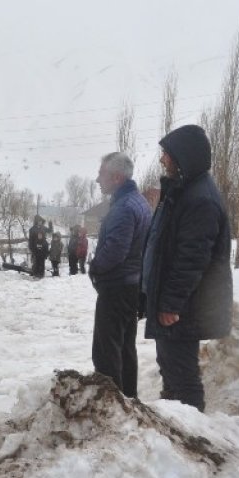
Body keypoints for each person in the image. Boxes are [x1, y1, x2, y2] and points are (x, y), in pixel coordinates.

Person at [141, 125, 232, 412]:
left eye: (166, 154)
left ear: (184, 156)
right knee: (172, 369)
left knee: (182, 376)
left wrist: (170, 303)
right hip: (179, 303)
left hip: (186, 306)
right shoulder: (183, 191)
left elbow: (191, 259)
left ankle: (190, 432)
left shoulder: (200, 199)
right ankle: (176, 422)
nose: (162, 160)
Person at [87, 152, 151, 398]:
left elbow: (115, 251)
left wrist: (94, 267)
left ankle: (112, 404)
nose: (97, 179)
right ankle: (128, 400)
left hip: (117, 287)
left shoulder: (125, 208)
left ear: (116, 177)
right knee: (124, 348)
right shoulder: (139, 202)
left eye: (101, 173)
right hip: (131, 285)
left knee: (107, 351)